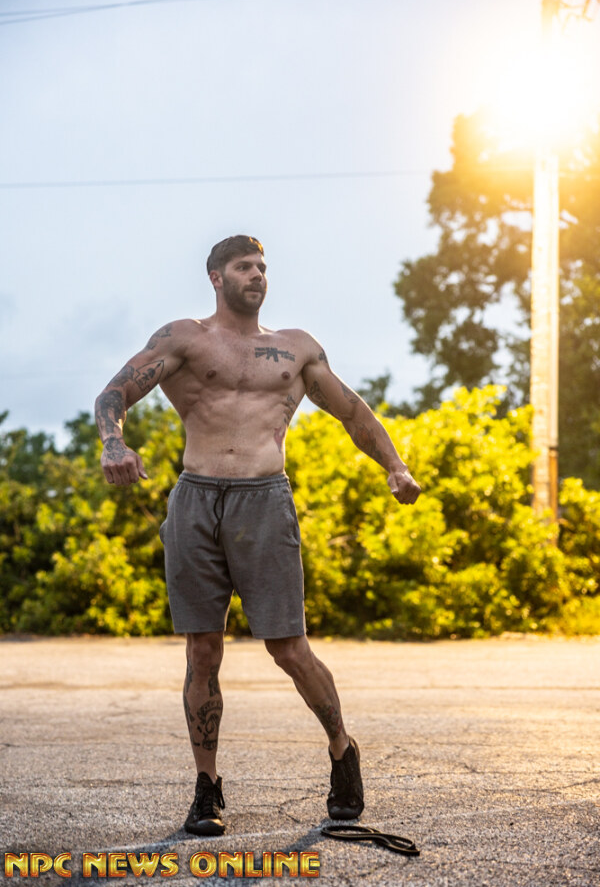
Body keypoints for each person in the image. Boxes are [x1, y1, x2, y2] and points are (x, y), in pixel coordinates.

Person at [95, 234, 421, 836]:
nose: (257, 275)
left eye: (263, 267)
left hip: (264, 502)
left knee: (289, 648)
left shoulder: (295, 348)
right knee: (202, 650)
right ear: (216, 277)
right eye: (244, 266)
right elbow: (114, 392)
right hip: (196, 500)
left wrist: (394, 466)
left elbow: (352, 411)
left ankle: (341, 749)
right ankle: (207, 788)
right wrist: (114, 443)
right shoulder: (184, 339)